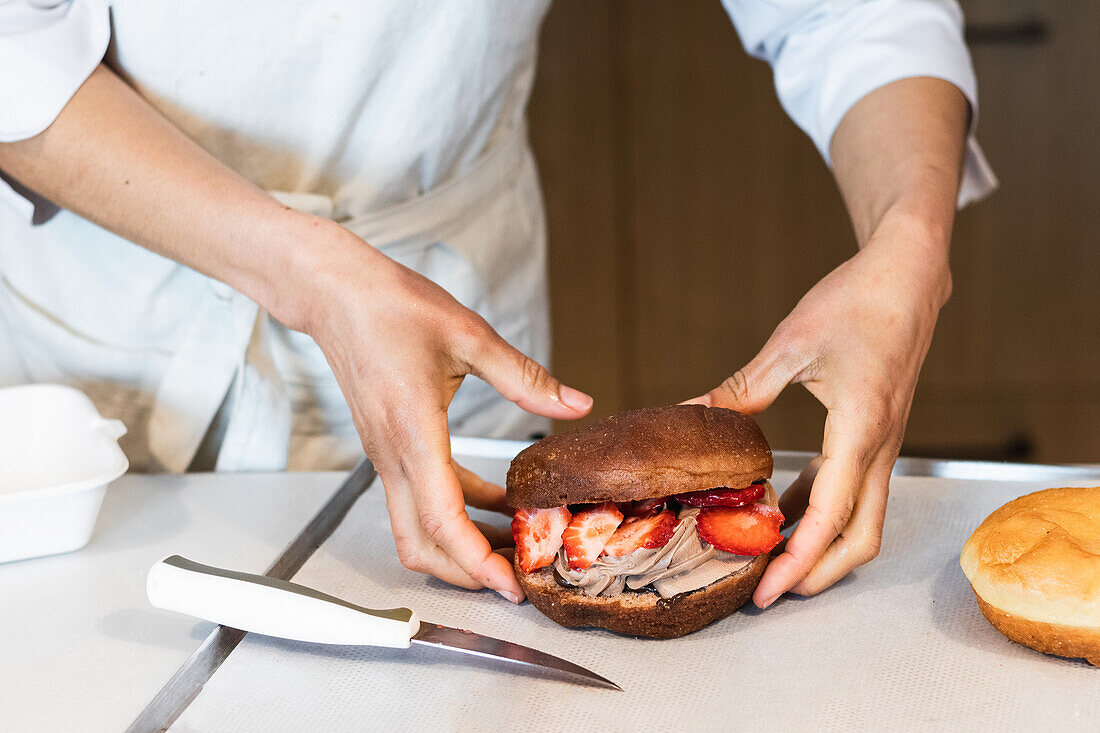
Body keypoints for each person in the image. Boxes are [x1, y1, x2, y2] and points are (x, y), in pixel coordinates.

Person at [0, 0, 996, 608]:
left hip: (450, 298)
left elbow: (848, 12)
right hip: (114, 318)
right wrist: (309, 272)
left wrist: (910, 248)